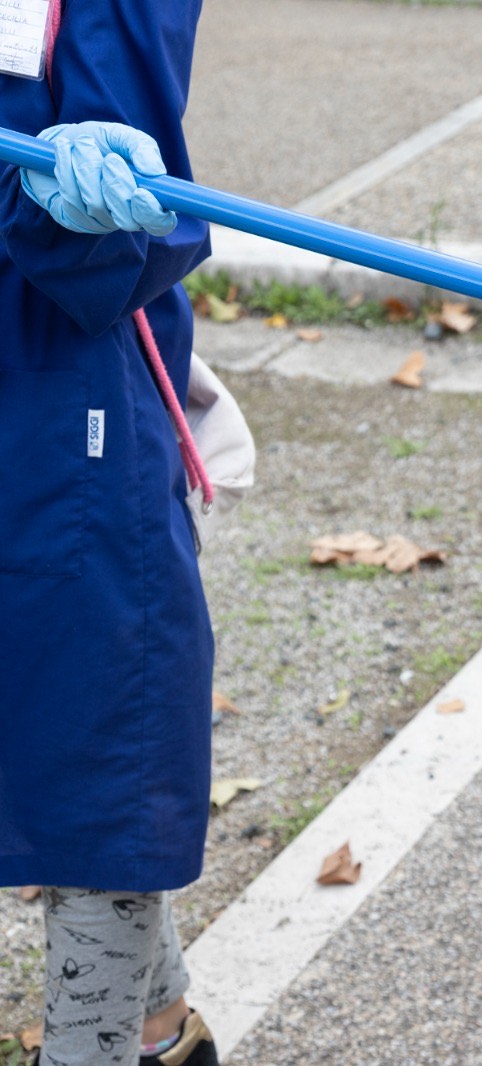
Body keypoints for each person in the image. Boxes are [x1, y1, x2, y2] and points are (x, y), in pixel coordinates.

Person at [0, 1, 219, 1064]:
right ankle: (161, 1027)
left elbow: (121, 239)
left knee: (93, 758)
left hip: (51, 396)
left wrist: (65, 200)